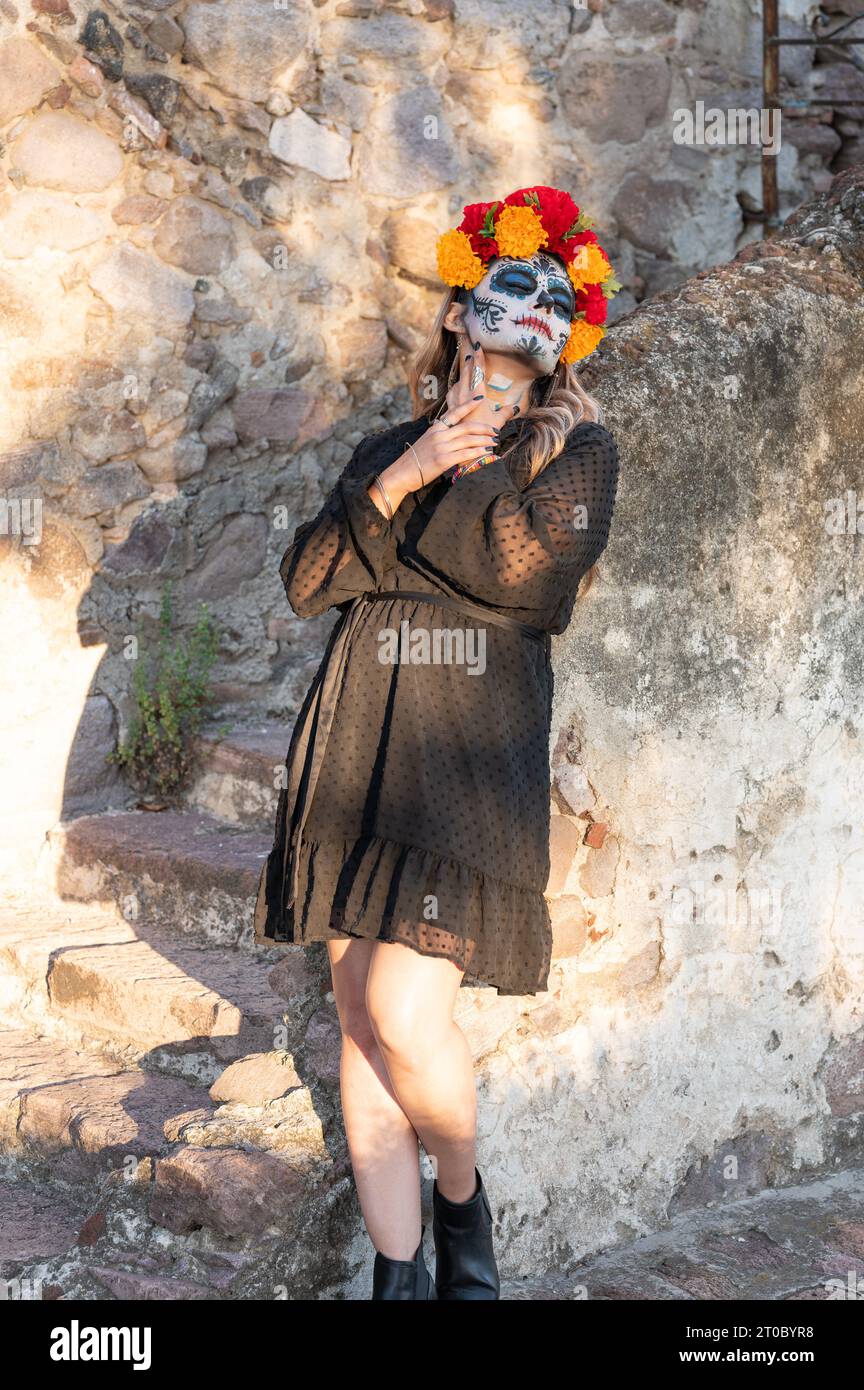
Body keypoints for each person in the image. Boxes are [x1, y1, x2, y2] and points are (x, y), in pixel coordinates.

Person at [254, 186, 621, 1300]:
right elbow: (309, 580)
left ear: (563, 340)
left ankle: (462, 1200)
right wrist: (407, 470)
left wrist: (459, 465)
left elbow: (520, 572)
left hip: (467, 766)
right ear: (462, 312)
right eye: (510, 289)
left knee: (410, 1014)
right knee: (359, 1022)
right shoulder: (388, 448)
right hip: (358, 750)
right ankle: (402, 1272)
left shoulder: (578, 454)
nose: (529, 312)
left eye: (554, 300)